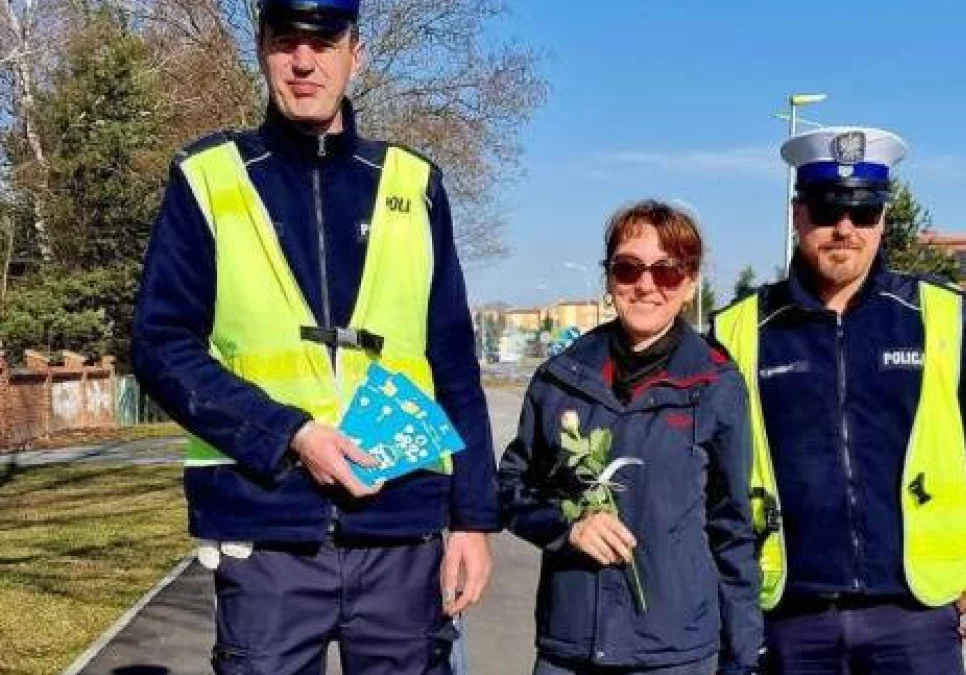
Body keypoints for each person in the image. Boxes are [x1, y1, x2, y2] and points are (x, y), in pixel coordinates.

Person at [131, 1, 496, 672]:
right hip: (266, 532)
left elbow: (454, 366)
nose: (304, 61)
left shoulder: (415, 186)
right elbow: (161, 345)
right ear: (263, 46)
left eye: (323, 40)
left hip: (400, 530)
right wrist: (291, 431)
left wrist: (473, 519)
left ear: (354, 51)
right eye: (286, 41)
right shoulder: (207, 179)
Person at [712, 127, 966, 675]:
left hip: (916, 620)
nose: (844, 228)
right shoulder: (739, 329)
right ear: (798, 214)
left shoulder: (940, 317)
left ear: (882, 220)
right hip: (788, 620)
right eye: (826, 209)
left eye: (864, 212)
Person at [498, 200, 762, 675]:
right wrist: (567, 527)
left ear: (691, 282)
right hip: (571, 647)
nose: (646, 285)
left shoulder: (716, 384)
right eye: (628, 268)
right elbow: (512, 489)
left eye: (667, 272)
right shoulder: (560, 378)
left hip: (676, 654)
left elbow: (732, 528)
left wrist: (742, 656)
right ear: (608, 278)